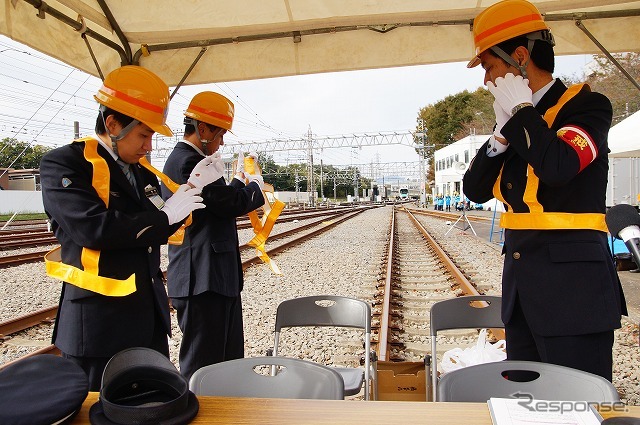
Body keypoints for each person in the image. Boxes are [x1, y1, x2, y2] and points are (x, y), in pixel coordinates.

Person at [462, 0, 627, 381]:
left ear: (520, 56)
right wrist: (501, 136)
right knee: (527, 403)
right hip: (522, 294)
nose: (486, 80)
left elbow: (558, 167)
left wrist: (522, 113)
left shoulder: (587, 106)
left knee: (577, 403)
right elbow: (474, 189)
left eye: (489, 66)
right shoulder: (514, 120)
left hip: (575, 293)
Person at [40, 65, 222, 391]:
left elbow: (158, 226)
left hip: (147, 318)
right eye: (144, 134)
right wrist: (166, 217)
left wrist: (191, 192)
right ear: (113, 124)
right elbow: (93, 228)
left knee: (150, 407)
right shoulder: (65, 164)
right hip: (98, 324)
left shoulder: (143, 173)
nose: (149, 146)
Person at [161, 91, 265, 380]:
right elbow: (226, 204)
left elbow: (217, 198)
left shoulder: (195, 159)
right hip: (202, 278)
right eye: (220, 134)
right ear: (203, 129)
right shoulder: (187, 162)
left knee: (225, 361)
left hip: (213, 277)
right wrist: (255, 186)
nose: (221, 142)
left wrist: (237, 181)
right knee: (203, 366)